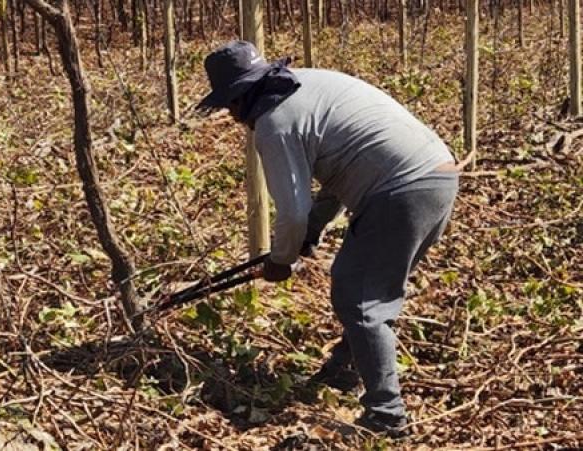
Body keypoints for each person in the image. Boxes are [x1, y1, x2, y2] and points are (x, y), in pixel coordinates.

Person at [196, 40, 459, 437]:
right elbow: (338, 178)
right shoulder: (308, 84)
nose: (232, 117)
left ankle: (387, 416)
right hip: (438, 175)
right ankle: (343, 370)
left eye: (229, 106)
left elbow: (292, 212)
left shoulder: (274, 122)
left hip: (401, 190)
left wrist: (281, 261)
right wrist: (312, 232)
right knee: (370, 289)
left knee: (359, 298)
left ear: (240, 97)